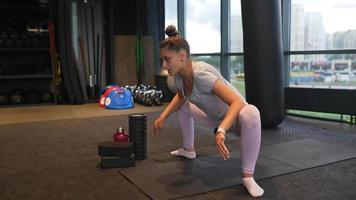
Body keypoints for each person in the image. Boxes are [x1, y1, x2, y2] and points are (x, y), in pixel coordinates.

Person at [153, 25, 264, 197]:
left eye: (167, 59)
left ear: (182, 57)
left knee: (251, 112)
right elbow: (181, 97)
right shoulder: (179, 78)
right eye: (163, 60)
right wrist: (162, 117)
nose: (164, 64)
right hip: (216, 119)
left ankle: (248, 176)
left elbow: (236, 102)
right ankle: (188, 149)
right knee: (184, 105)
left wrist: (221, 131)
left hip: (237, 120)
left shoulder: (201, 73)